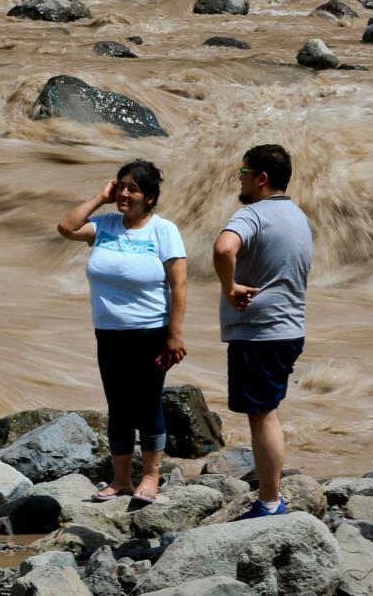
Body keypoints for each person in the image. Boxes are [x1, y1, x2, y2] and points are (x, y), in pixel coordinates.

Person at [57, 159, 187, 503]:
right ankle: (120, 480)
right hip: (109, 331)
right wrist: (101, 196)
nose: (125, 194)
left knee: (147, 405)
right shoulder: (104, 224)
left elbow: (180, 284)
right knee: (118, 406)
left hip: (150, 331)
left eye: (133, 189)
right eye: (121, 186)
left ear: (150, 197)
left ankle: (151, 477)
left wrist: (174, 334)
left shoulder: (163, 230)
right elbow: (66, 227)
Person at [212, 144, 312, 519]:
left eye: (243, 171)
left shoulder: (252, 215)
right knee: (267, 411)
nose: (240, 177)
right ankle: (271, 496)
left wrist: (230, 287)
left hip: (259, 333)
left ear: (262, 178)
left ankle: (270, 501)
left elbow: (224, 249)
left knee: (263, 415)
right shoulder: (299, 217)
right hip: (289, 329)